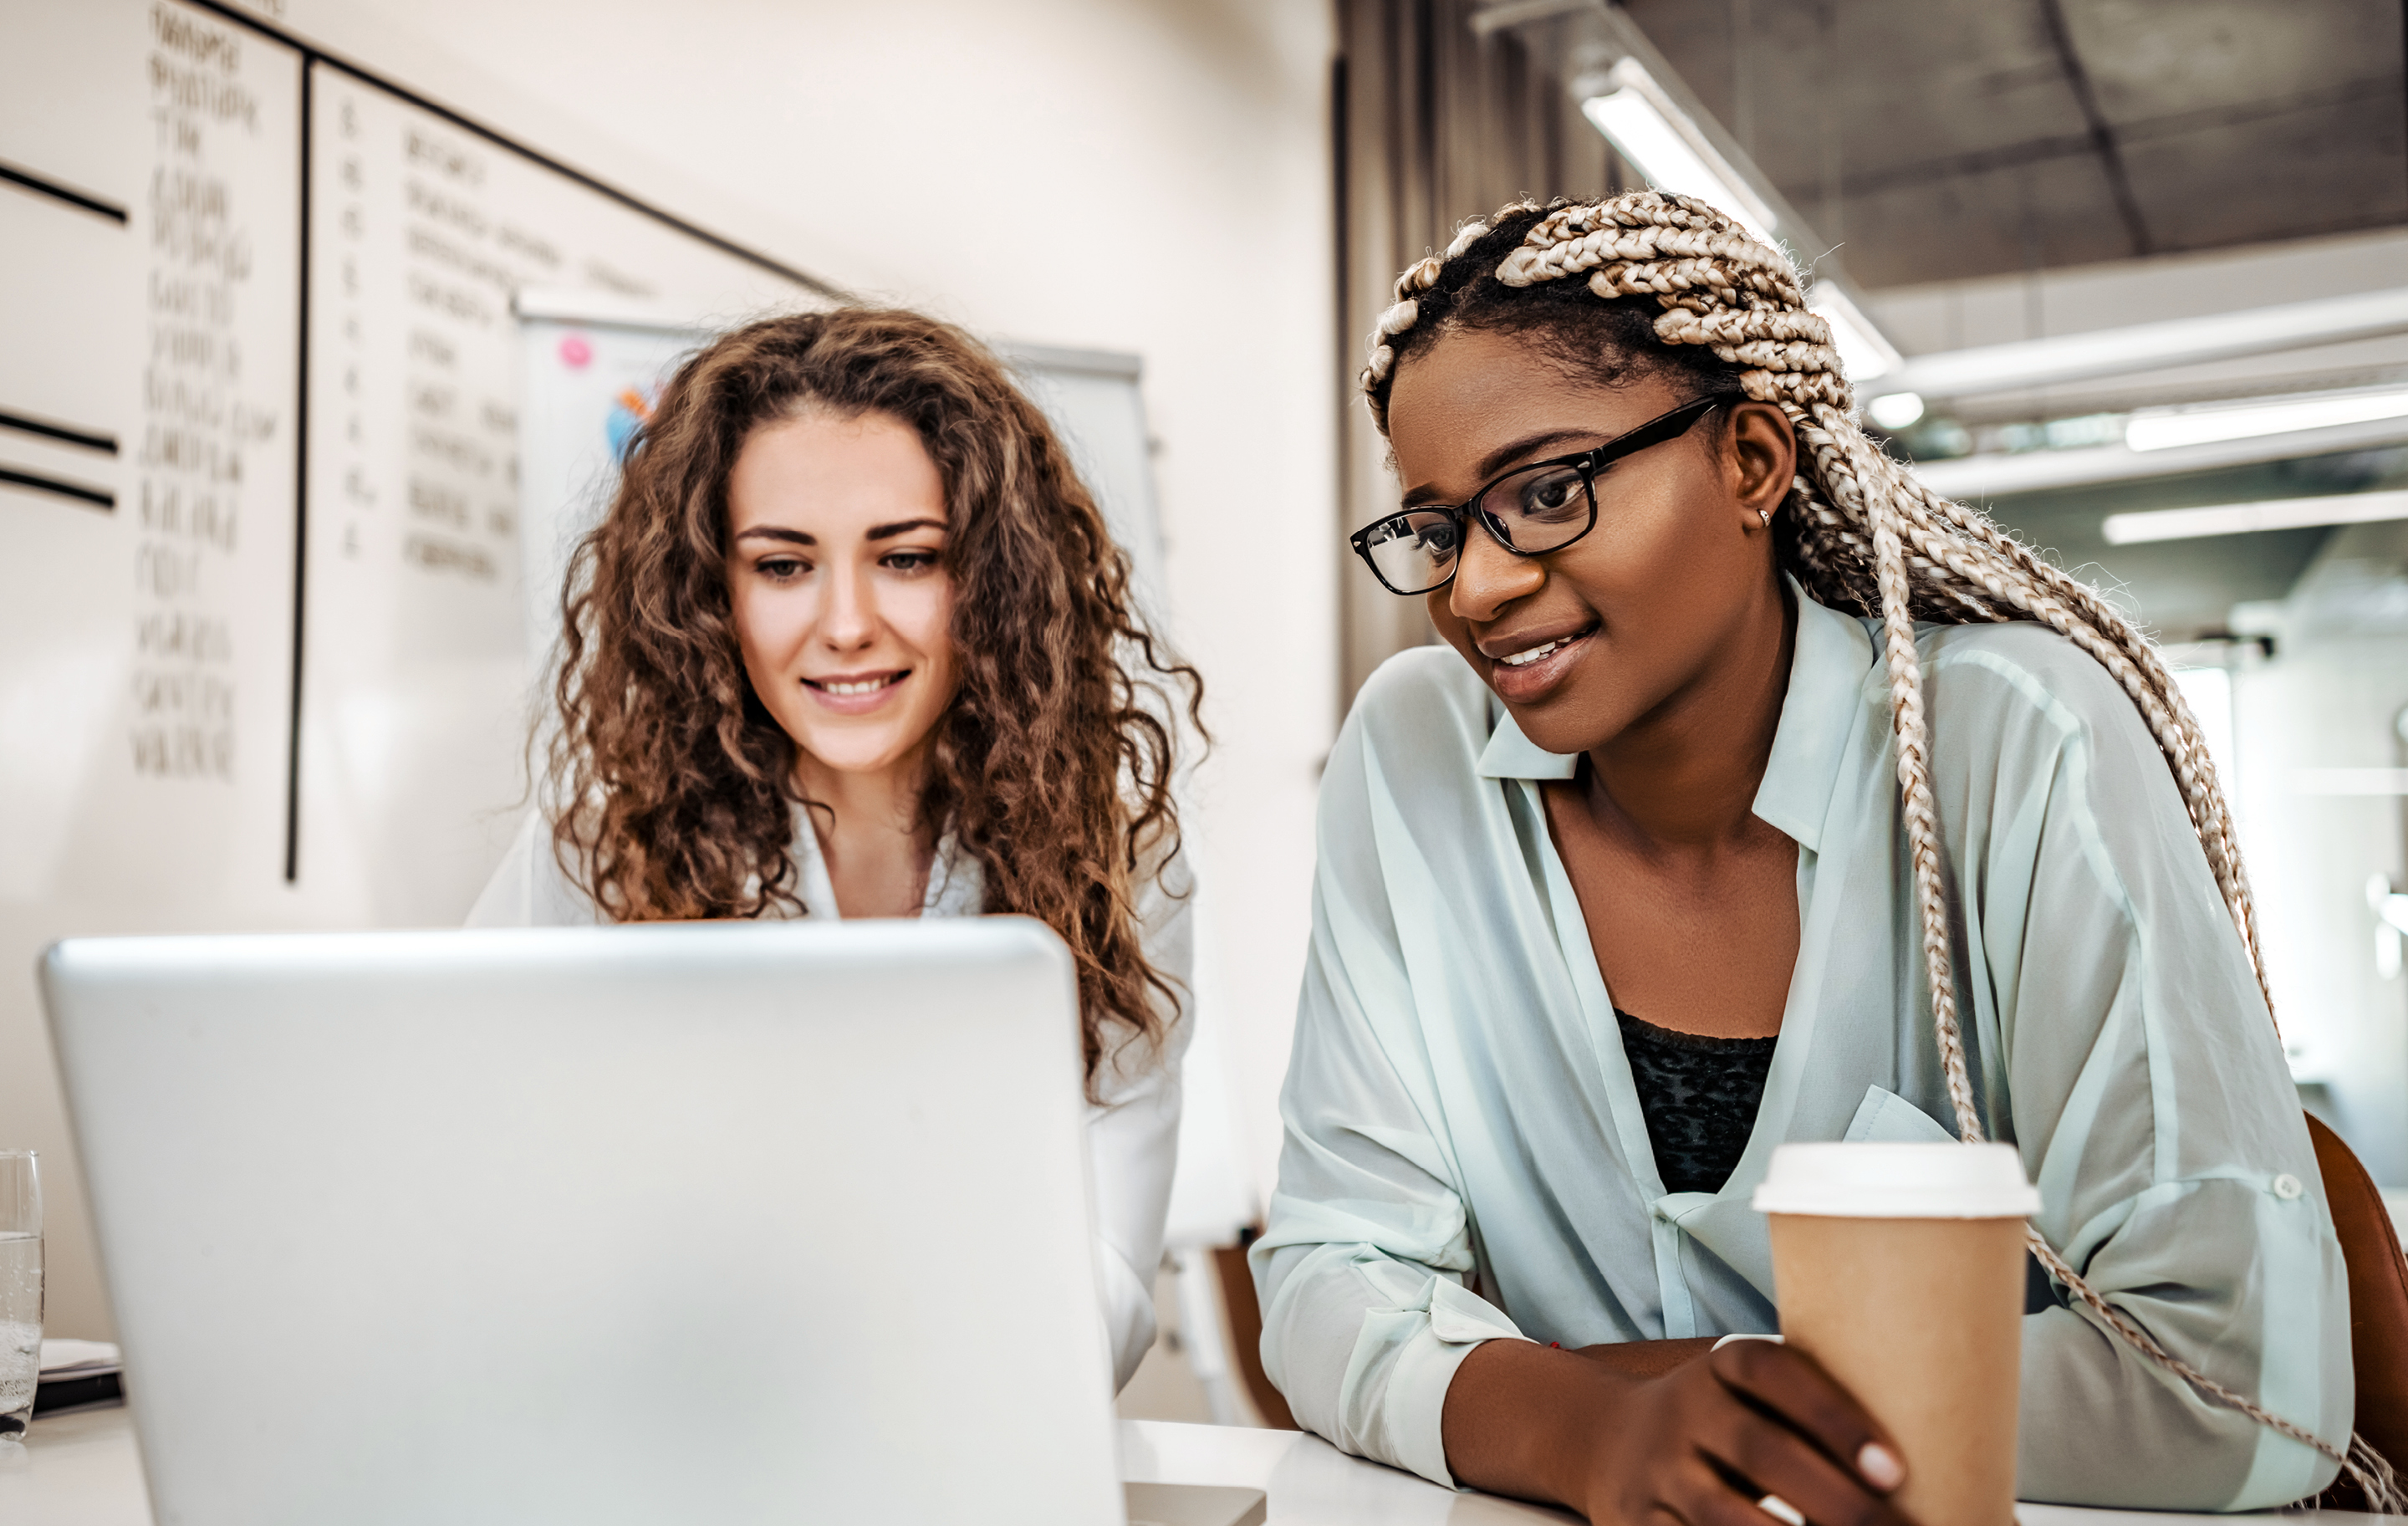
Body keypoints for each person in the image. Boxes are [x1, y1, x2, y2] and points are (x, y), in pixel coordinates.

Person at [1253, 191, 2369, 1520]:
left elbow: (2240, 1386)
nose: (1476, 590)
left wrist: (1687, 1396)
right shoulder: (1413, 754)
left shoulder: (2020, 739)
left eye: (1545, 494)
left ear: (1753, 463)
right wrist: (1586, 1433)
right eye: (1438, 527)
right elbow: (1328, 1270)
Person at [469, 307, 1201, 1392]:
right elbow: (478, 1193)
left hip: (973, 1450)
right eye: (782, 565)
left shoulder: (1118, 855)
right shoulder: (603, 839)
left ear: (993, 580)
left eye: (906, 557)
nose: (847, 621)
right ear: (711, 590)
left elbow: (1103, 1282)